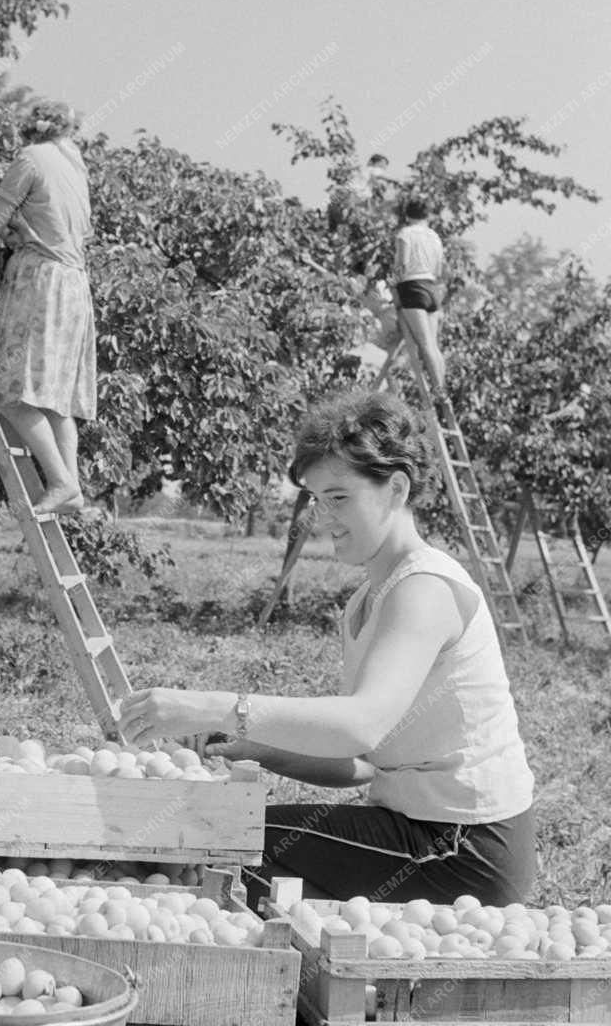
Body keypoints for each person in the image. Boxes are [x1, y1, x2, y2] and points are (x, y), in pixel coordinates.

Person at [119, 389, 537, 907]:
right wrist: (251, 747)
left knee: (225, 839)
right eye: (317, 500)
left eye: (339, 498)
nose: (324, 517)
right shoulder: (368, 598)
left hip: (462, 846)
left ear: (396, 489)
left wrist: (212, 705)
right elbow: (360, 759)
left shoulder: (424, 589)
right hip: (418, 831)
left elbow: (360, 723)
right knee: (240, 855)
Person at [0, 99, 97, 516]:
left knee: (14, 395)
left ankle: (60, 481)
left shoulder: (31, 158)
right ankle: (72, 486)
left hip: (41, 282)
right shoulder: (76, 168)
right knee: (55, 400)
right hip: (75, 286)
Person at [393, 198, 447, 391]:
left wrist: (392, 283)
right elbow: (439, 269)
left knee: (424, 345)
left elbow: (402, 265)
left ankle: (438, 390)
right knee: (434, 346)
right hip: (432, 288)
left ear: (407, 215)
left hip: (412, 287)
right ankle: (443, 388)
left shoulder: (405, 234)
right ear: (428, 216)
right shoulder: (435, 236)